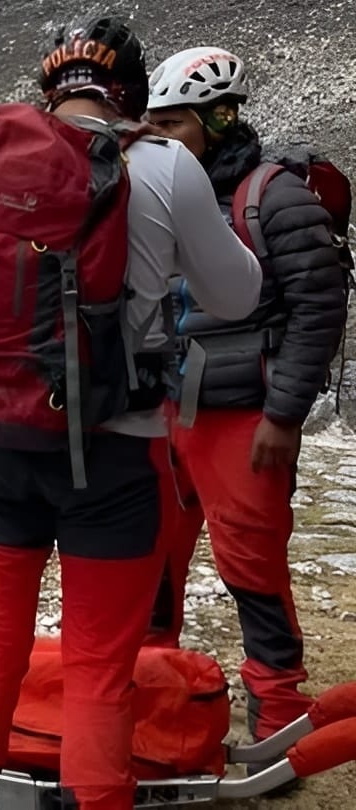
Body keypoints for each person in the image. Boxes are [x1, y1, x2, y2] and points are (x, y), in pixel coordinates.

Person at [0, 16, 262, 809]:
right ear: (133, 95)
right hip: (115, 455)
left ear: (50, 92)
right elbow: (236, 294)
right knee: (99, 674)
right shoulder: (167, 164)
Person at [141, 46, 348, 750]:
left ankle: (277, 703)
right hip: (171, 412)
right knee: (153, 554)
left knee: (250, 563)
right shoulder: (166, 197)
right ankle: (153, 683)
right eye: (154, 124)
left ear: (218, 120)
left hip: (246, 419)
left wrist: (284, 417)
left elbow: (320, 303)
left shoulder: (274, 196)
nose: (158, 139)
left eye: (172, 125)